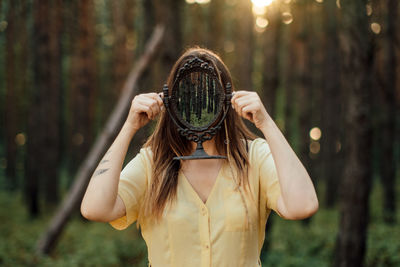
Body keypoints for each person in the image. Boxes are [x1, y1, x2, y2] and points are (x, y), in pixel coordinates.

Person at [81, 48, 318, 267]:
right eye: (188, 91)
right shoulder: (153, 164)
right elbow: (95, 208)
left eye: (208, 92)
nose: (199, 100)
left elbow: (303, 205)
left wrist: (265, 123)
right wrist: (129, 127)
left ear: (225, 98)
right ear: (173, 100)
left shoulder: (253, 157)